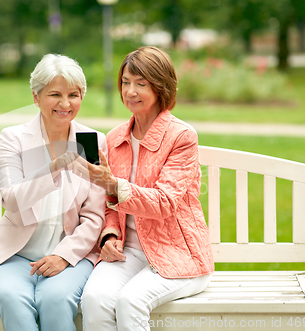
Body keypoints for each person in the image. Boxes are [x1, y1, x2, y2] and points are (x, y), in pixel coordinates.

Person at [79, 46, 214, 330]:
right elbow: (110, 204)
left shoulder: (182, 137)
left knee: (130, 302)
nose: (130, 91)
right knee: (93, 298)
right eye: (126, 82)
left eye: (141, 84)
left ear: (161, 86)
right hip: (129, 252)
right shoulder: (116, 138)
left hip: (178, 253)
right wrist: (110, 236)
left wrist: (113, 183)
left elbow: (165, 202)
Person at [0, 54, 106, 331]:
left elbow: (95, 216)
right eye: (55, 94)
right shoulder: (14, 138)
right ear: (36, 97)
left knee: (56, 299)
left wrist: (63, 256)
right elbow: (12, 199)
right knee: (12, 299)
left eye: (74, 94)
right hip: (14, 255)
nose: (66, 104)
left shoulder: (91, 141)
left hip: (70, 257)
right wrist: (52, 169)